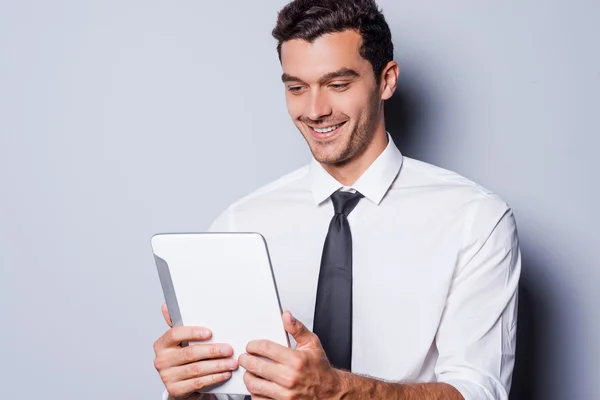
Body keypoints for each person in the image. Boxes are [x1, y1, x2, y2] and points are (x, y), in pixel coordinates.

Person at [152, 0, 521, 399]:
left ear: (387, 80)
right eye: (296, 87)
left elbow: (481, 391)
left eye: (338, 85)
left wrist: (336, 390)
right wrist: (187, 390)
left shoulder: (475, 220)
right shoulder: (238, 223)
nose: (315, 110)